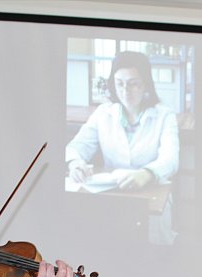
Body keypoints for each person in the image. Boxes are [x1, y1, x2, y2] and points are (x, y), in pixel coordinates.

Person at [65, 50, 180, 244]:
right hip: (112, 198)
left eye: (133, 84)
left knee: (148, 251)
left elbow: (170, 159)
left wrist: (147, 173)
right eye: (120, 83)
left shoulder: (164, 115)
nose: (126, 91)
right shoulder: (103, 113)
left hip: (150, 200)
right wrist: (75, 163)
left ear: (145, 84)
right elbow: (77, 146)